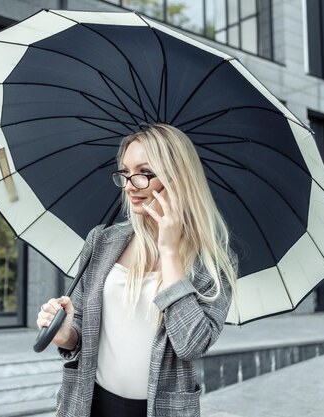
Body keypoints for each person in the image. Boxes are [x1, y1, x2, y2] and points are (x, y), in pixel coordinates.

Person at [37, 123, 238, 417]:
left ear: (178, 178)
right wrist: (67, 335)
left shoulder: (213, 261)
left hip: (161, 410)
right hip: (88, 404)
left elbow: (191, 345)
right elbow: (81, 323)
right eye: (126, 172)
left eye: (144, 173)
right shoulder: (103, 240)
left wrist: (170, 252)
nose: (131, 184)